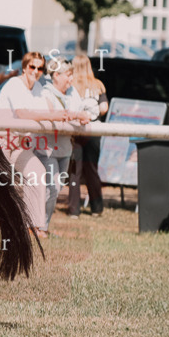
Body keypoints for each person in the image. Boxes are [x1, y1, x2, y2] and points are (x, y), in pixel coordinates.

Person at [0, 52, 85, 238]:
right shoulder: (13, 84)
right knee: (0, 186)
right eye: (32, 67)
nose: (35, 71)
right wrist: (55, 116)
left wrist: (74, 115)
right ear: (24, 67)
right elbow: (23, 114)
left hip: (20, 144)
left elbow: (50, 111)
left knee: (37, 174)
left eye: (40, 68)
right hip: (1, 142)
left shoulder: (38, 88)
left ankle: (34, 227)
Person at [42, 62, 90, 222]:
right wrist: (75, 115)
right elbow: (53, 116)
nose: (71, 79)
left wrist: (75, 115)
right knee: (52, 188)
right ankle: (38, 226)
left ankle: (42, 227)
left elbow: (83, 114)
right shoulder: (45, 93)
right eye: (68, 75)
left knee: (57, 188)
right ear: (56, 75)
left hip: (65, 149)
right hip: (47, 149)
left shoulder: (72, 92)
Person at [70, 54, 108, 217]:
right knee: (92, 169)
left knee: (74, 170)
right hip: (94, 129)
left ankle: (74, 209)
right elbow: (104, 108)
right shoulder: (97, 85)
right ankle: (97, 208)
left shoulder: (70, 85)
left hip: (74, 130)